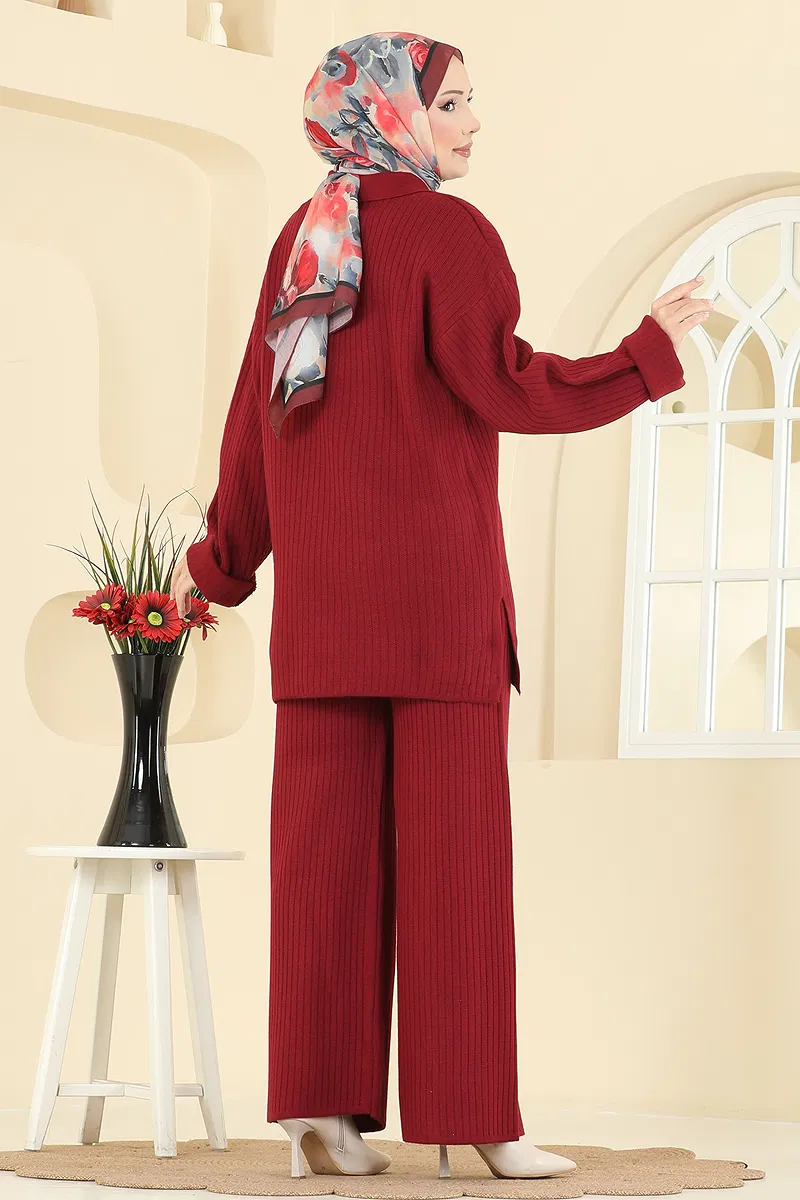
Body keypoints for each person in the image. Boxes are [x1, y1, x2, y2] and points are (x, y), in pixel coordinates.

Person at [170, 31, 710, 1181]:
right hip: (436, 611)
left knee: (320, 872)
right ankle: (476, 1121)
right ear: (393, 116)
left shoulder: (303, 237)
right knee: (455, 873)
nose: (470, 122)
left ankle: (320, 1118)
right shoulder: (448, 234)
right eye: (453, 102)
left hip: (324, 619)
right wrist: (645, 356)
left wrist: (218, 567)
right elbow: (508, 385)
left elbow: (257, 420)